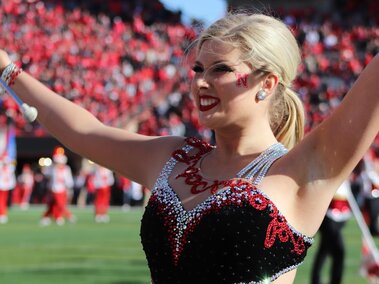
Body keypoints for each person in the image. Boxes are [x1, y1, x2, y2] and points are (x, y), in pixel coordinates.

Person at [0, 11, 378, 283]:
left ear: (267, 83)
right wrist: (7, 70)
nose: (200, 83)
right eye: (197, 70)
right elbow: (85, 131)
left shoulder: (299, 172)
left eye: (220, 70)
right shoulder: (172, 158)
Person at [311, 180, 352, 284]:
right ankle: (334, 281)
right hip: (328, 217)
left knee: (324, 249)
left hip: (341, 217)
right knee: (339, 251)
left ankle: (315, 279)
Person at [40, 147, 75, 226]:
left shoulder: (66, 169)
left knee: (59, 204)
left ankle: (60, 216)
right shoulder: (52, 168)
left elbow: (69, 180)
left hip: (62, 189)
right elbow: (46, 173)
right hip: (53, 189)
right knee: (55, 204)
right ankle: (56, 217)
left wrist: (69, 188)